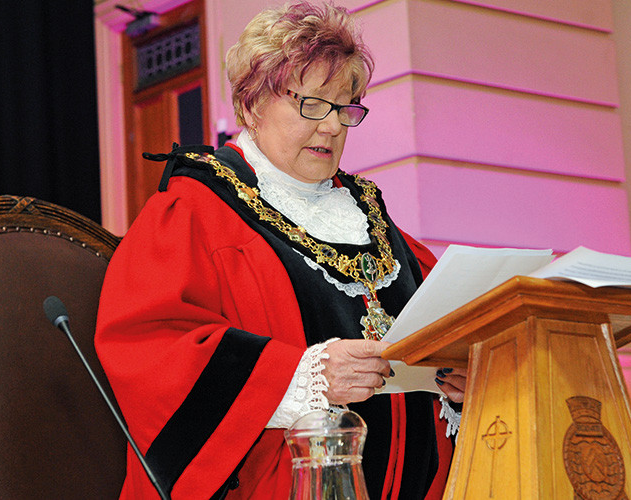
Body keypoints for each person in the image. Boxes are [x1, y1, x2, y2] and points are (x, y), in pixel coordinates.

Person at [95, 2, 467, 498]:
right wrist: (302, 377)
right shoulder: (194, 212)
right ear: (251, 105)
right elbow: (150, 352)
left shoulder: (369, 217)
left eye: (345, 108)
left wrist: (462, 382)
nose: (333, 127)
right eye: (312, 104)